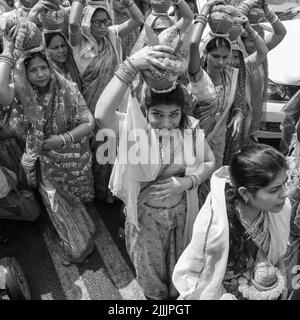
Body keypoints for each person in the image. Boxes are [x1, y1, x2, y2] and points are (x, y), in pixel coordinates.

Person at [94, 45, 215, 299]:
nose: (166, 122)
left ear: (182, 113)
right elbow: (101, 114)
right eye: (157, 115)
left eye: (174, 114)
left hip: (182, 217)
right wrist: (130, 66)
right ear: (144, 112)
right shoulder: (134, 132)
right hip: (145, 227)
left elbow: (209, 162)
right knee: (153, 284)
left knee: (181, 276)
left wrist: (186, 182)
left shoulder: (190, 130)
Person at [0, 22, 96, 265]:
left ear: (51, 67)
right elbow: (1, 93)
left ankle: (77, 249)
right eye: (33, 71)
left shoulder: (68, 88)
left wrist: (62, 139)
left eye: (44, 68)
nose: (41, 74)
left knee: (70, 203)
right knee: (56, 205)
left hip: (72, 158)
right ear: (24, 74)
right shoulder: (24, 96)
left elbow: (88, 122)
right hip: (45, 164)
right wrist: (8, 51)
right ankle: (79, 242)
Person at [172, 144, 292, 300]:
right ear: (244, 193)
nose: (285, 193)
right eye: (274, 189)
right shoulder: (217, 231)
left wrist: (282, 282)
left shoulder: (280, 210)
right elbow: (205, 280)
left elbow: (278, 251)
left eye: (284, 183)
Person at [188, 0, 245, 169]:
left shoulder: (230, 75)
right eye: (215, 56)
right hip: (194, 143)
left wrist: (238, 114)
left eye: (225, 57)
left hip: (218, 144)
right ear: (205, 54)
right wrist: (205, 10)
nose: (221, 62)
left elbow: (236, 103)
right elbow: (193, 44)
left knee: (213, 183)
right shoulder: (198, 76)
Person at [237, 0, 286, 144]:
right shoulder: (239, 59)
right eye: (250, 39)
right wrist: (246, 5)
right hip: (235, 120)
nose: (255, 43)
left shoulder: (259, 55)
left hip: (251, 126)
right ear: (241, 39)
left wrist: (268, 11)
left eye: (258, 38)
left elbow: (281, 32)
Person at [226, 14, 268, 159]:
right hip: (218, 126)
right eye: (228, 56)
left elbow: (263, 52)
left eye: (237, 56)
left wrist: (249, 29)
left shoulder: (245, 66)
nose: (232, 61)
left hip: (241, 125)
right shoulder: (214, 72)